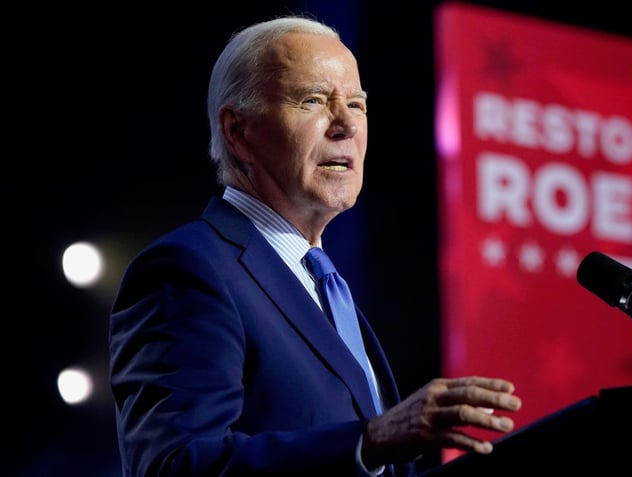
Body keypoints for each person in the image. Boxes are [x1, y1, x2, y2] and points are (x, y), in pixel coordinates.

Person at [108, 14, 522, 477]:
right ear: (238, 132)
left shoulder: (327, 287)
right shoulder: (189, 270)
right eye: (313, 100)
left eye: (358, 105)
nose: (346, 124)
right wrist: (372, 440)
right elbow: (171, 466)